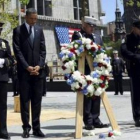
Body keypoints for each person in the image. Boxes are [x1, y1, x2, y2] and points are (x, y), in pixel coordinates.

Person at [12, 8, 46, 138]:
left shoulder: (39, 30)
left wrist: (40, 65)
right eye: (32, 18)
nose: (34, 21)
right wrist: (27, 67)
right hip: (24, 73)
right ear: (26, 17)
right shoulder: (18, 31)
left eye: (36, 19)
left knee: (37, 101)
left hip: (38, 73)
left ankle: (37, 128)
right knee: (25, 101)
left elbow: (43, 50)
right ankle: (26, 127)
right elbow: (17, 51)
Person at [72, 16, 109, 130]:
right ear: (84, 25)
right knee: (87, 95)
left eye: (93, 26)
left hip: (97, 70)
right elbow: (75, 49)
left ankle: (95, 119)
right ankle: (88, 120)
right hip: (85, 69)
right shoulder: (78, 35)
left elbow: (102, 51)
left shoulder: (97, 37)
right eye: (90, 26)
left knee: (96, 94)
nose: (92, 28)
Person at [121, 18, 140, 127]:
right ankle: (138, 116)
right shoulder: (127, 38)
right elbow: (123, 52)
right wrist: (135, 57)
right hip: (135, 69)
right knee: (137, 94)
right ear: (134, 28)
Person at [0, 22, 14, 139]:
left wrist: (4, 61)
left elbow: (11, 59)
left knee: (2, 105)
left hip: (2, 78)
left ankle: (3, 129)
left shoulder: (4, 43)